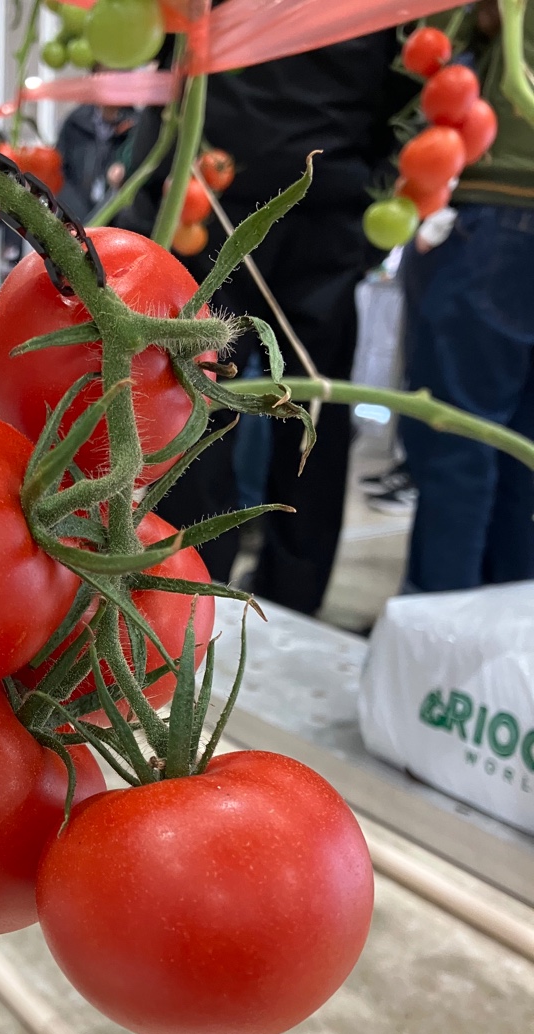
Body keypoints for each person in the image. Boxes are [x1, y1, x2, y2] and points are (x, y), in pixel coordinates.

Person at [117, 29, 413, 615]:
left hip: (220, 188)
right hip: (322, 194)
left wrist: (149, 199)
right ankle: (288, 596)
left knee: (196, 403)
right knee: (310, 412)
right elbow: (403, 94)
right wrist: (371, 217)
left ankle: (192, 590)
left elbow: (169, 52)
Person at [398, 0, 534, 593]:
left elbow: (429, 56)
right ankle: (506, 633)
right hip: (499, 216)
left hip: (497, 202)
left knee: (459, 438)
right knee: (522, 453)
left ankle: (441, 626)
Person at [56, 103, 138, 221]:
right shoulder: (76, 121)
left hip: (114, 214)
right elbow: (60, 168)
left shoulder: (135, 124)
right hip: (75, 209)